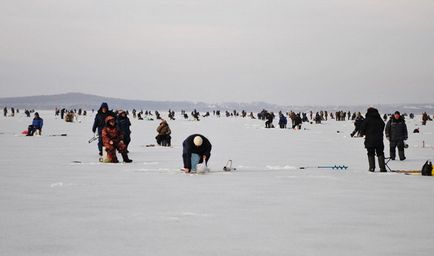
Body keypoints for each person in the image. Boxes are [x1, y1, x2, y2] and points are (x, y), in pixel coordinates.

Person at [359, 107, 386, 172]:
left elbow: (362, 127)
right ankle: (382, 168)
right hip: (379, 139)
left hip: (369, 139)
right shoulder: (379, 119)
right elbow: (383, 125)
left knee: (371, 153)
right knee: (380, 153)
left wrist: (363, 133)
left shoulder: (367, 119)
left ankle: (372, 168)